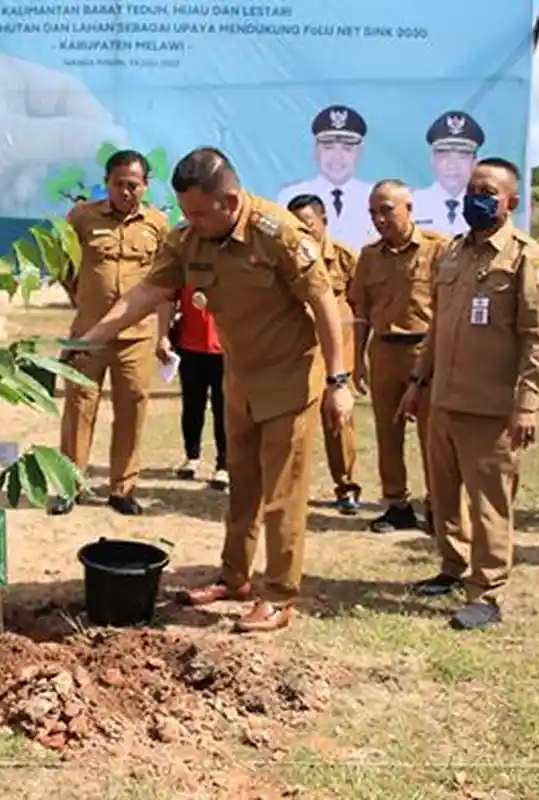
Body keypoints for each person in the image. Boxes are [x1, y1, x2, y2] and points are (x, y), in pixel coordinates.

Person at [66, 147, 356, 633]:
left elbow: (324, 302)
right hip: (238, 376)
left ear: (231, 201)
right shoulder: (188, 239)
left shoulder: (278, 233)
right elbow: (146, 293)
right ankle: (234, 578)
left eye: (200, 212)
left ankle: (278, 595)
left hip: (289, 377)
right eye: (187, 212)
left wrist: (338, 381)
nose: (192, 222)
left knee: (281, 493)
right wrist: (89, 339)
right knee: (242, 485)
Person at [398, 157, 539, 630]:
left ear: (511, 201)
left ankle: (486, 591)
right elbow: (438, 327)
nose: (475, 199)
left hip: (490, 408)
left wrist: (526, 404)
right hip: (443, 400)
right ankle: (452, 566)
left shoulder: (525, 257)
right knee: (444, 496)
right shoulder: (454, 251)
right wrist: (417, 382)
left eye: (487, 192)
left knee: (489, 504)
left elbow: (536, 337)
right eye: (471, 190)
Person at [50, 150, 169, 516]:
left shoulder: (158, 224)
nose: (126, 192)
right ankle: (70, 486)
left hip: (137, 336)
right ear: (107, 183)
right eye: (118, 184)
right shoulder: (82, 218)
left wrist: (163, 334)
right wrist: (82, 300)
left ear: (146, 186)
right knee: (79, 407)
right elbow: (63, 265)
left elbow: (166, 281)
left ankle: (123, 489)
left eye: (133, 185)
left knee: (132, 408)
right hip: (88, 334)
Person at [350, 180, 450, 533]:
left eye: (387, 210)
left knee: (432, 436)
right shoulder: (369, 256)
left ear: (409, 208)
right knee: (387, 433)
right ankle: (397, 505)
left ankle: (438, 506)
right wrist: (357, 358)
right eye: (373, 213)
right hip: (383, 351)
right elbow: (361, 311)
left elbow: (448, 309)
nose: (379, 219)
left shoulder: (439, 250)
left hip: (425, 351)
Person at [287, 193, 362, 513]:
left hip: (336, 357)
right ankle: (288, 491)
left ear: (324, 221)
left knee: (338, 423)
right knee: (292, 426)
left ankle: (347, 487)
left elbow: (360, 306)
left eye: (308, 224)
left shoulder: (345, 258)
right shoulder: (285, 258)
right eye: (296, 227)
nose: (303, 233)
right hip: (298, 356)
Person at [276, 105, 373, 248]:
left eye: (347, 149)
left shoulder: (374, 197)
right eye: (328, 148)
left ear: (359, 153)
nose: (337, 157)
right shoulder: (290, 195)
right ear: (316, 151)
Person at [168, 276, 227, 490]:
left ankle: (224, 464)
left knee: (224, 408)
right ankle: (192, 456)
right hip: (190, 346)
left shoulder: (230, 265)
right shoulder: (186, 266)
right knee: (192, 406)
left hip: (225, 348)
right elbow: (169, 297)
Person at [412, 111, 486, 238]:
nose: (453, 165)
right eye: (444, 154)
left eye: (462, 155)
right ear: (433, 160)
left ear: (474, 162)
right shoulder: (412, 204)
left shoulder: (484, 208)